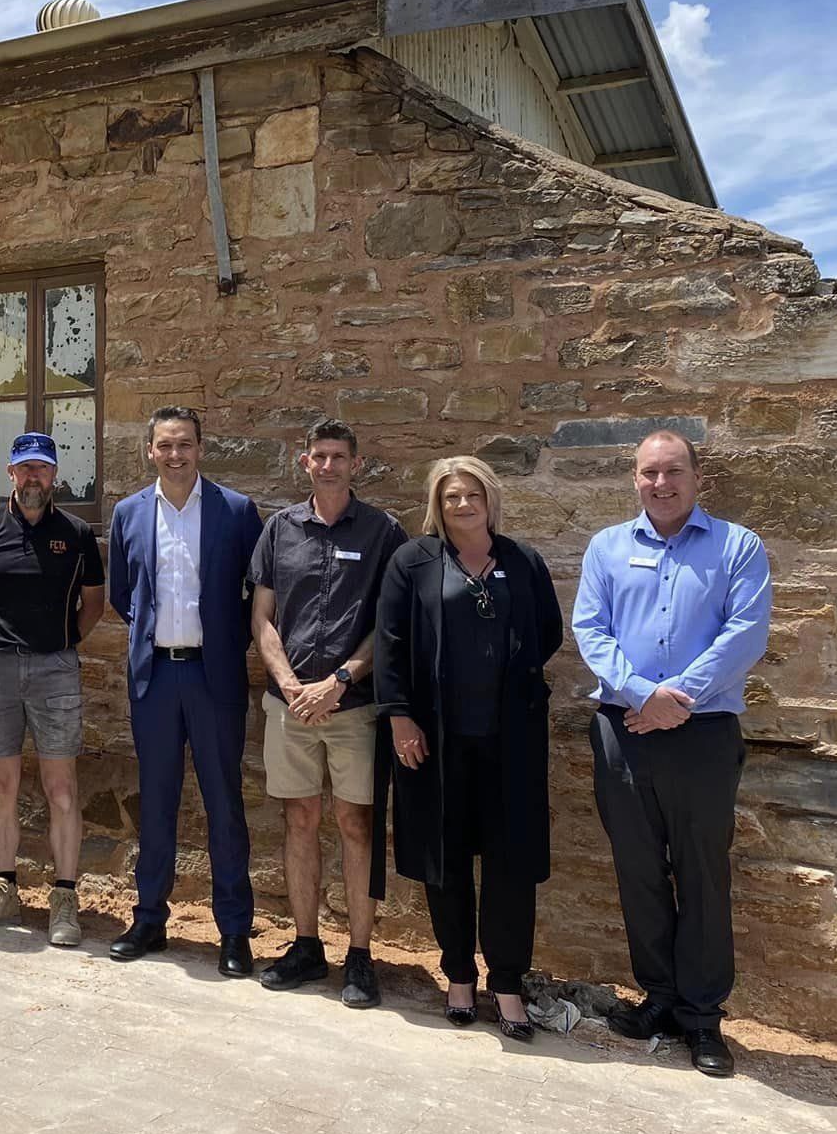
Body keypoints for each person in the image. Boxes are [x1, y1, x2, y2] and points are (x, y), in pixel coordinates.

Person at [573, 430, 770, 1078]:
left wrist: (673, 698)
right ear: (634, 479)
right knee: (639, 871)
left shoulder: (737, 547)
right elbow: (591, 631)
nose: (661, 484)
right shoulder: (607, 548)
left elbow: (745, 633)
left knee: (702, 874)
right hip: (621, 729)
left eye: (673, 471)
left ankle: (702, 1018)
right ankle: (658, 998)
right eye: (649, 473)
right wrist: (639, 694)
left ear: (697, 476)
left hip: (702, 734)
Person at [378, 456, 562, 1041]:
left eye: (472, 495)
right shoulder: (413, 561)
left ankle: (506, 984)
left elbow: (547, 632)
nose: (462, 505)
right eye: (451, 496)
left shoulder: (521, 561)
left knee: (510, 867)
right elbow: (390, 643)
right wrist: (401, 719)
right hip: (436, 743)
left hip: (509, 744)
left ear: (490, 498)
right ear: (438, 503)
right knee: (445, 859)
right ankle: (459, 975)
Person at [248, 418, 407, 1005]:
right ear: (305, 462)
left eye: (340, 455)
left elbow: (388, 627)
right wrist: (290, 684)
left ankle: (360, 956)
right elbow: (262, 618)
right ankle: (308, 945)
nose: (329, 465)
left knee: (356, 824)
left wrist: (338, 681)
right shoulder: (279, 529)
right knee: (300, 820)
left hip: (353, 707)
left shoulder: (384, 531)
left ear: (356, 464)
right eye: (320, 455)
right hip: (289, 705)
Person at [105, 408, 265, 978]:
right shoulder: (127, 514)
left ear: (201, 448)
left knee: (225, 804)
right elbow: (124, 595)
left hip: (213, 676)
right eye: (165, 446)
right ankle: (149, 918)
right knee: (156, 801)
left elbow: (256, 593)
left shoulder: (237, 511)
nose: (176, 455)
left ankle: (234, 931)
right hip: (155, 678)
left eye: (186, 445)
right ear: (150, 450)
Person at [0, 433, 105, 946]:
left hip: (56, 670)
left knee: (61, 788)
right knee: (1, 786)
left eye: (42, 469)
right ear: (10, 474)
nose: (33, 477)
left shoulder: (78, 533)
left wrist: (59, 644)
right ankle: (4, 887)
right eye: (25, 469)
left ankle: (64, 896)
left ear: (55, 475)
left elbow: (93, 604)